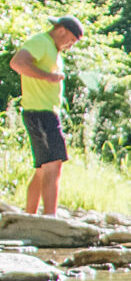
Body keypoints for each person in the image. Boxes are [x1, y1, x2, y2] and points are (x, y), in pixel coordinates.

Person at [10, 14, 84, 216]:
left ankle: (30, 217)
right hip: (41, 113)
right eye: (71, 41)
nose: (70, 47)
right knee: (54, 165)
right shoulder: (41, 42)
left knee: (43, 169)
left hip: (43, 112)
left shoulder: (52, 49)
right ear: (61, 30)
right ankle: (51, 220)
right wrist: (48, 77)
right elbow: (17, 63)